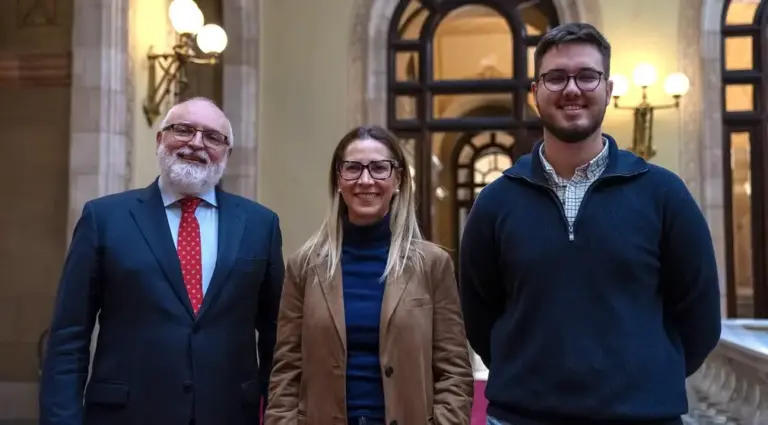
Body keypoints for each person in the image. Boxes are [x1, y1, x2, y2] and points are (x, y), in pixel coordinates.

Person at [459, 23, 721, 425]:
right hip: (522, 417)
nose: (571, 88)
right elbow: (479, 317)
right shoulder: (496, 201)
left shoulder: (664, 195)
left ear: (609, 88)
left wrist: (647, 382)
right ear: (535, 92)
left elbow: (700, 317)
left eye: (587, 75)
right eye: (555, 77)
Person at [39, 97, 284, 425]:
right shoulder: (105, 218)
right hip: (127, 414)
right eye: (183, 130)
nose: (196, 143)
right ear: (160, 139)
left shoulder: (260, 224)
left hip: (228, 413)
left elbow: (276, 337)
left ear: (227, 153)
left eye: (213, 137)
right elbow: (69, 334)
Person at [264, 125, 474, 425]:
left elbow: (454, 371)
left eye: (379, 168)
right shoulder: (305, 266)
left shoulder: (431, 264)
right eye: (353, 168)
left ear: (398, 180)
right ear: (338, 180)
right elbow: (286, 370)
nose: (365, 180)